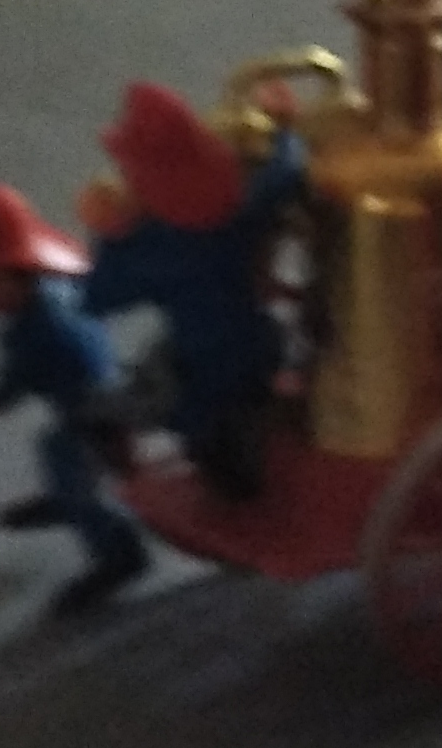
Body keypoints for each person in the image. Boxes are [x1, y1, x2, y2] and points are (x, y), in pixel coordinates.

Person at [0, 182, 152, 618]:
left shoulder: (34, 333)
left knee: (73, 470)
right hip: (105, 396)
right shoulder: (57, 290)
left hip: (93, 414)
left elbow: (9, 391)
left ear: (5, 274)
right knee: (61, 453)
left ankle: (120, 552)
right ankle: (68, 498)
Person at [79, 81, 298, 500]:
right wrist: (285, 129)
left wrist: (109, 234)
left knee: (135, 401)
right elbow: (283, 176)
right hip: (261, 341)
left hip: (201, 365)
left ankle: (217, 474)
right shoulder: (240, 213)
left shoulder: (153, 247)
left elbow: (97, 298)